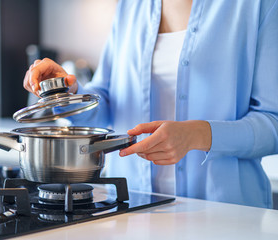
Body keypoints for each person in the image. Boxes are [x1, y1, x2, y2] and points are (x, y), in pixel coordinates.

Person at [23, 0, 278, 208]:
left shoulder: (258, 6)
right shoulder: (130, 6)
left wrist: (197, 135)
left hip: (226, 214)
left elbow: (273, 123)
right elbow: (107, 106)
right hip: (132, 208)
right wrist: (65, 92)